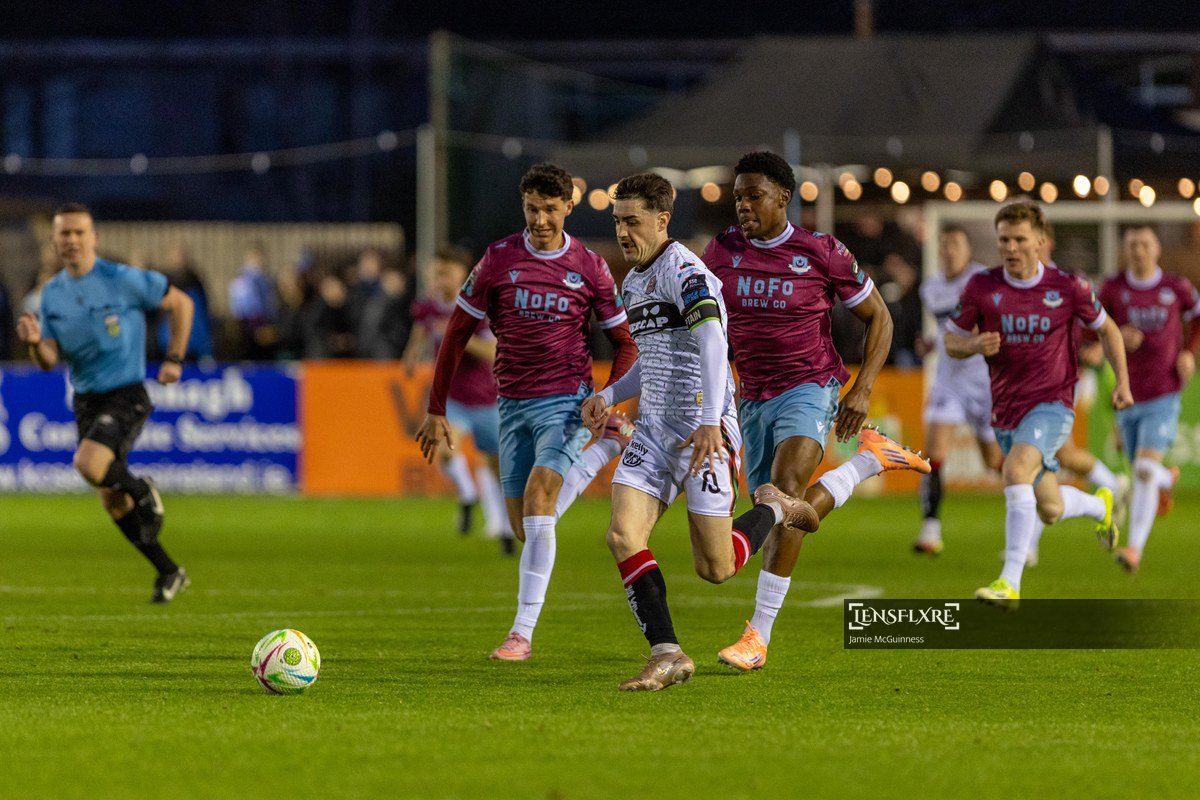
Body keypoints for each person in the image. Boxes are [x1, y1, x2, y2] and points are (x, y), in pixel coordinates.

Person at [582, 172, 818, 691]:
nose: (623, 232)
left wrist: (712, 420)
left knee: (716, 568)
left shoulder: (684, 270)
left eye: (632, 221)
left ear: (662, 220)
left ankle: (775, 506)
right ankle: (667, 654)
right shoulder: (635, 280)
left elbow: (713, 343)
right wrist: (610, 393)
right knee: (622, 535)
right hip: (653, 433)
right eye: (617, 221)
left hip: (700, 429)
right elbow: (652, 358)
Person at [701, 151, 930, 672]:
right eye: (737, 196)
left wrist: (862, 387)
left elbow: (881, 319)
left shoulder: (820, 252)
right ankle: (868, 462)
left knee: (780, 496)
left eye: (753, 195)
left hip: (811, 386)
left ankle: (757, 637)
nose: (743, 206)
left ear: (783, 197)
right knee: (778, 518)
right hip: (751, 395)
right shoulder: (720, 252)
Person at [416, 163, 638, 661]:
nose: (540, 219)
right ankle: (605, 448)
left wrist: (606, 395)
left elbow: (625, 343)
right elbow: (455, 335)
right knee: (527, 527)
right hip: (510, 403)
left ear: (569, 205)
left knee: (540, 502)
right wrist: (436, 409)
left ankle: (521, 633)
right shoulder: (497, 260)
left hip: (566, 400)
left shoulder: (591, 266)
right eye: (532, 209)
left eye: (550, 209)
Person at [945, 199, 1131, 608]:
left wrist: (1123, 383)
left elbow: (1110, 331)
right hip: (1006, 411)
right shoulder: (982, 287)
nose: (1010, 248)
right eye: (1004, 240)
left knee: (1015, 469)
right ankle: (1099, 503)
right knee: (1049, 507)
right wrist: (974, 344)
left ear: (1040, 242)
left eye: (1019, 239)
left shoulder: (1069, 287)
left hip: (1052, 404)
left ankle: (1009, 580)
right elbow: (950, 340)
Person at [15, 203, 194, 603]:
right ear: (54, 240)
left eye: (80, 232)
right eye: (65, 233)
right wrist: (33, 344)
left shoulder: (122, 279)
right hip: (86, 400)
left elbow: (182, 303)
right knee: (113, 502)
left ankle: (144, 492)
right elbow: (48, 361)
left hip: (126, 392)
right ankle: (169, 570)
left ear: (94, 237)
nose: (72, 240)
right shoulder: (52, 295)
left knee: (88, 462)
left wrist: (175, 359)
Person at [1099, 225, 1199, 572]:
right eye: (1132, 244)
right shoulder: (1113, 289)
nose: (1138, 250)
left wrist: (1189, 351)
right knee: (1142, 469)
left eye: (1145, 244)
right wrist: (1116, 335)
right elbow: (1093, 327)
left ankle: (1133, 550)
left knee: (1141, 469)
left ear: (1157, 250)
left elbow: (1196, 317)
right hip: (1127, 392)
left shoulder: (1176, 287)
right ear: (1126, 250)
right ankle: (1164, 479)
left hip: (1165, 391)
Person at [406, 246, 516, 552]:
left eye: (446, 271)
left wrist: (458, 336)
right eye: (436, 270)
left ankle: (505, 528)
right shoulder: (428, 307)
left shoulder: (476, 309)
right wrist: (410, 356)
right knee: (442, 450)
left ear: (462, 275)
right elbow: (421, 329)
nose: (439, 276)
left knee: (495, 467)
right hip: (451, 399)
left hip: (485, 399)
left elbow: (494, 352)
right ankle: (468, 495)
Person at [913, 224, 1002, 556]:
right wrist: (931, 344)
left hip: (985, 384)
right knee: (933, 453)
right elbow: (947, 330)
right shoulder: (930, 288)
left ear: (967, 251)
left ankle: (1030, 496)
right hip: (949, 380)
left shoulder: (983, 281)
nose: (949, 251)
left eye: (956, 245)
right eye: (945, 245)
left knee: (995, 462)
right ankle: (930, 529)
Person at [228, 243, 277, 359]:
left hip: (267, 326)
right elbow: (240, 309)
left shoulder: (267, 280)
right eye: (254, 257)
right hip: (249, 329)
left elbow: (270, 304)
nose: (257, 261)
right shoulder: (241, 281)